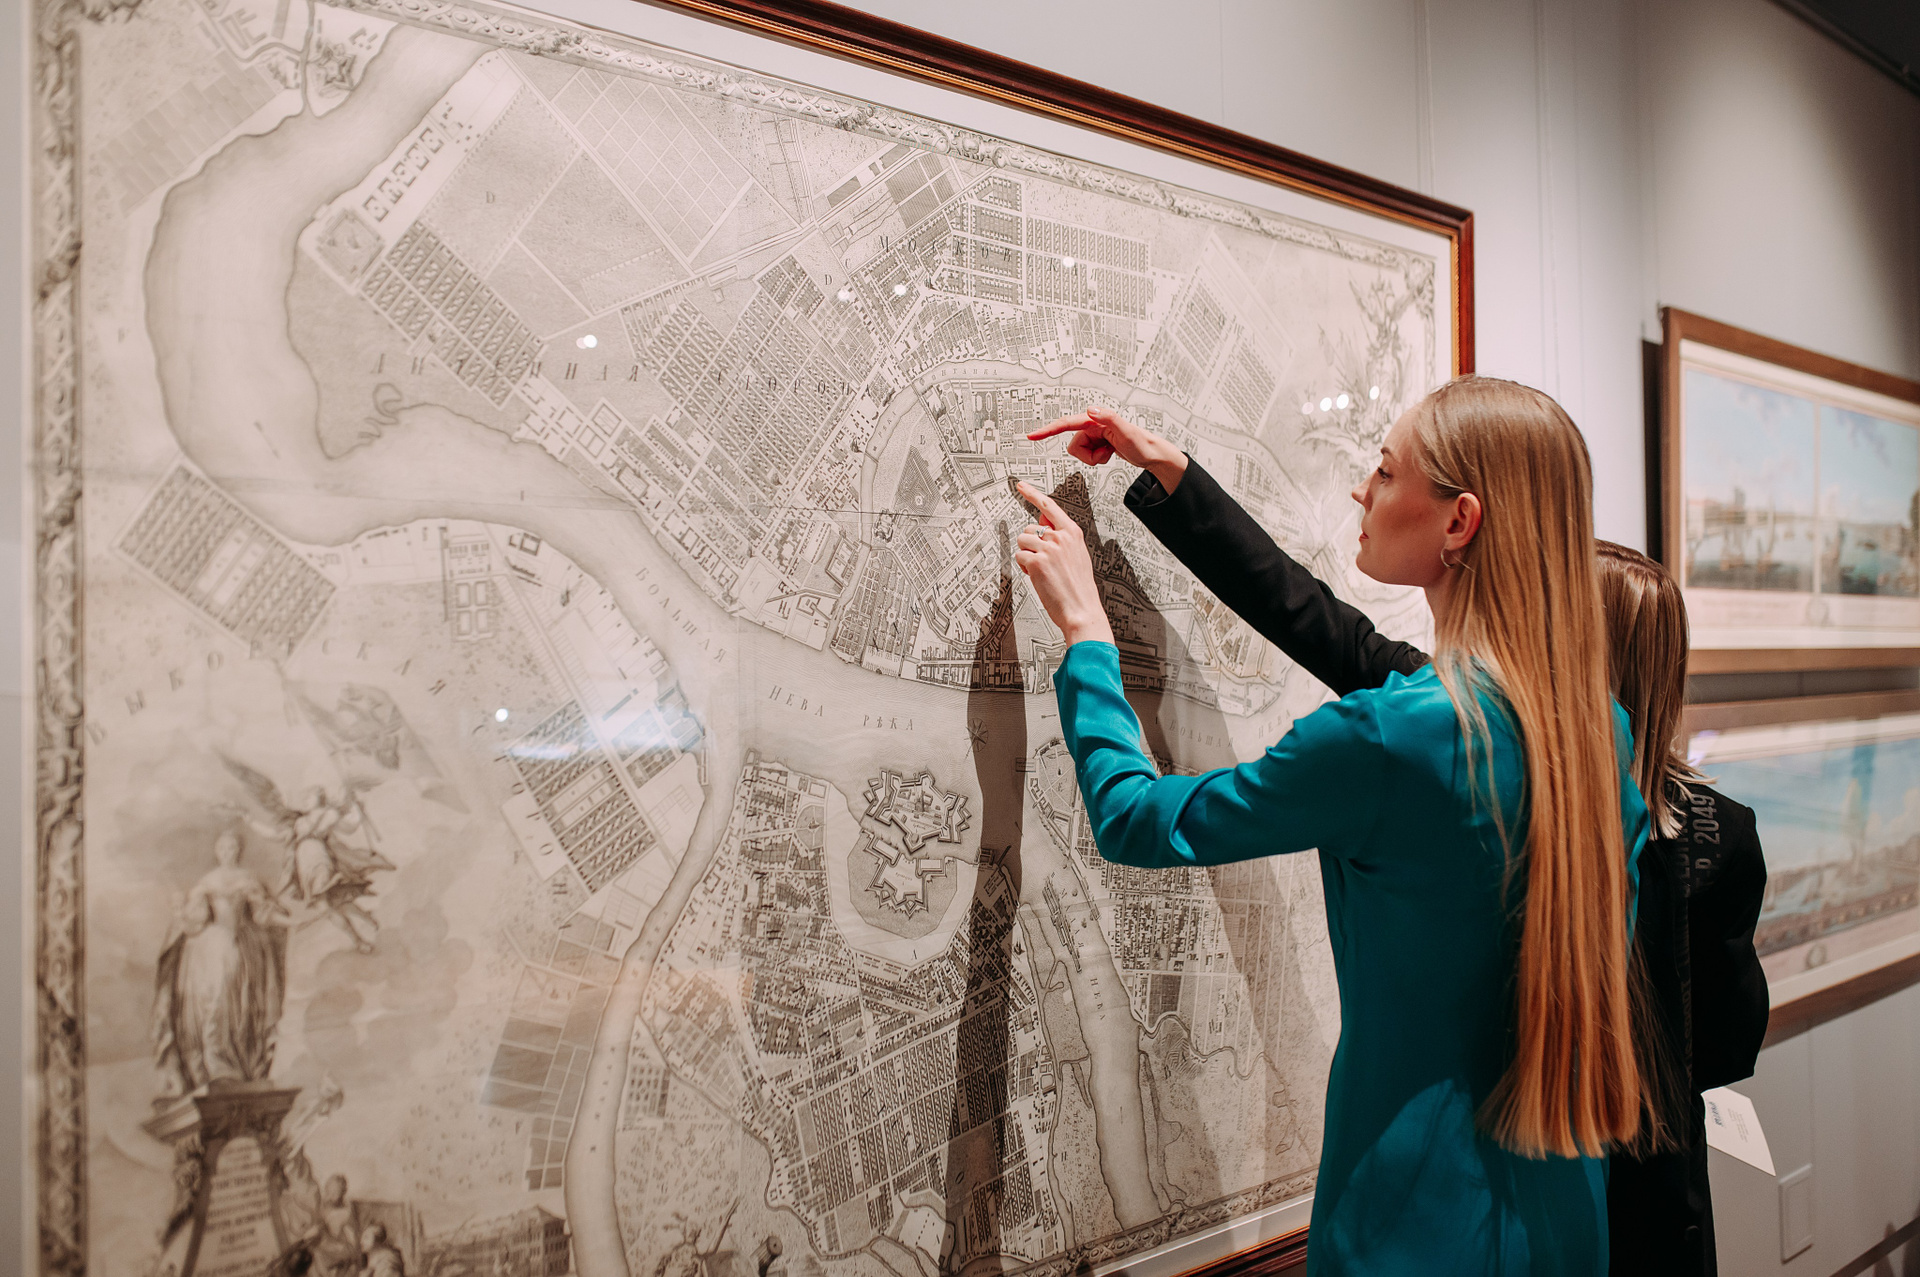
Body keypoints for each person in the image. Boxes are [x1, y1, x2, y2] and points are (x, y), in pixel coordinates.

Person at [1028, 405, 1770, 1275]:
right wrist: (1170, 471)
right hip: (1564, 1221)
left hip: (1408, 1225)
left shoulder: (1391, 736)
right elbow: (1314, 617)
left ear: (1460, 521)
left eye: (1385, 471)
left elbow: (1134, 816)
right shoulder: (1597, 732)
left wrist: (1087, 634)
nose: (1361, 489)